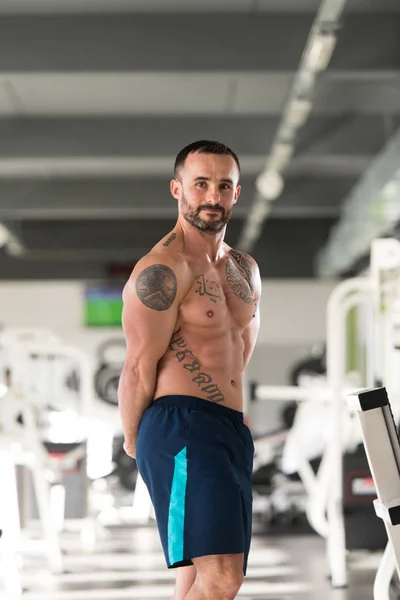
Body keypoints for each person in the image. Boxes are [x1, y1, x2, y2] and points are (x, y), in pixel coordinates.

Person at [118, 140, 261, 600]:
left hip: (229, 429)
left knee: (197, 580)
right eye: (201, 184)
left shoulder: (245, 269)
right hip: (181, 427)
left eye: (224, 185)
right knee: (223, 578)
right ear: (178, 189)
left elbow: (240, 352)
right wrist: (135, 442)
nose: (212, 196)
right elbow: (138, 366)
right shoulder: (161, 269)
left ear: (236, 194)